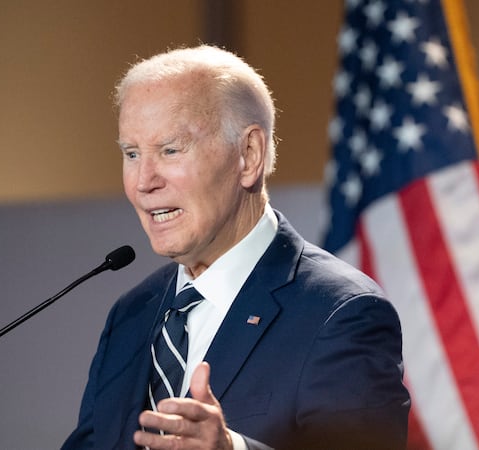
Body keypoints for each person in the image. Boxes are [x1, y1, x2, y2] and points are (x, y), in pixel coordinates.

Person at [62, 44, 410, 450]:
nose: (144, 181)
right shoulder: (132, 314)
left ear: (248, 155)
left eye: (170, 150)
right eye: (132, 153)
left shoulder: (341, 313)